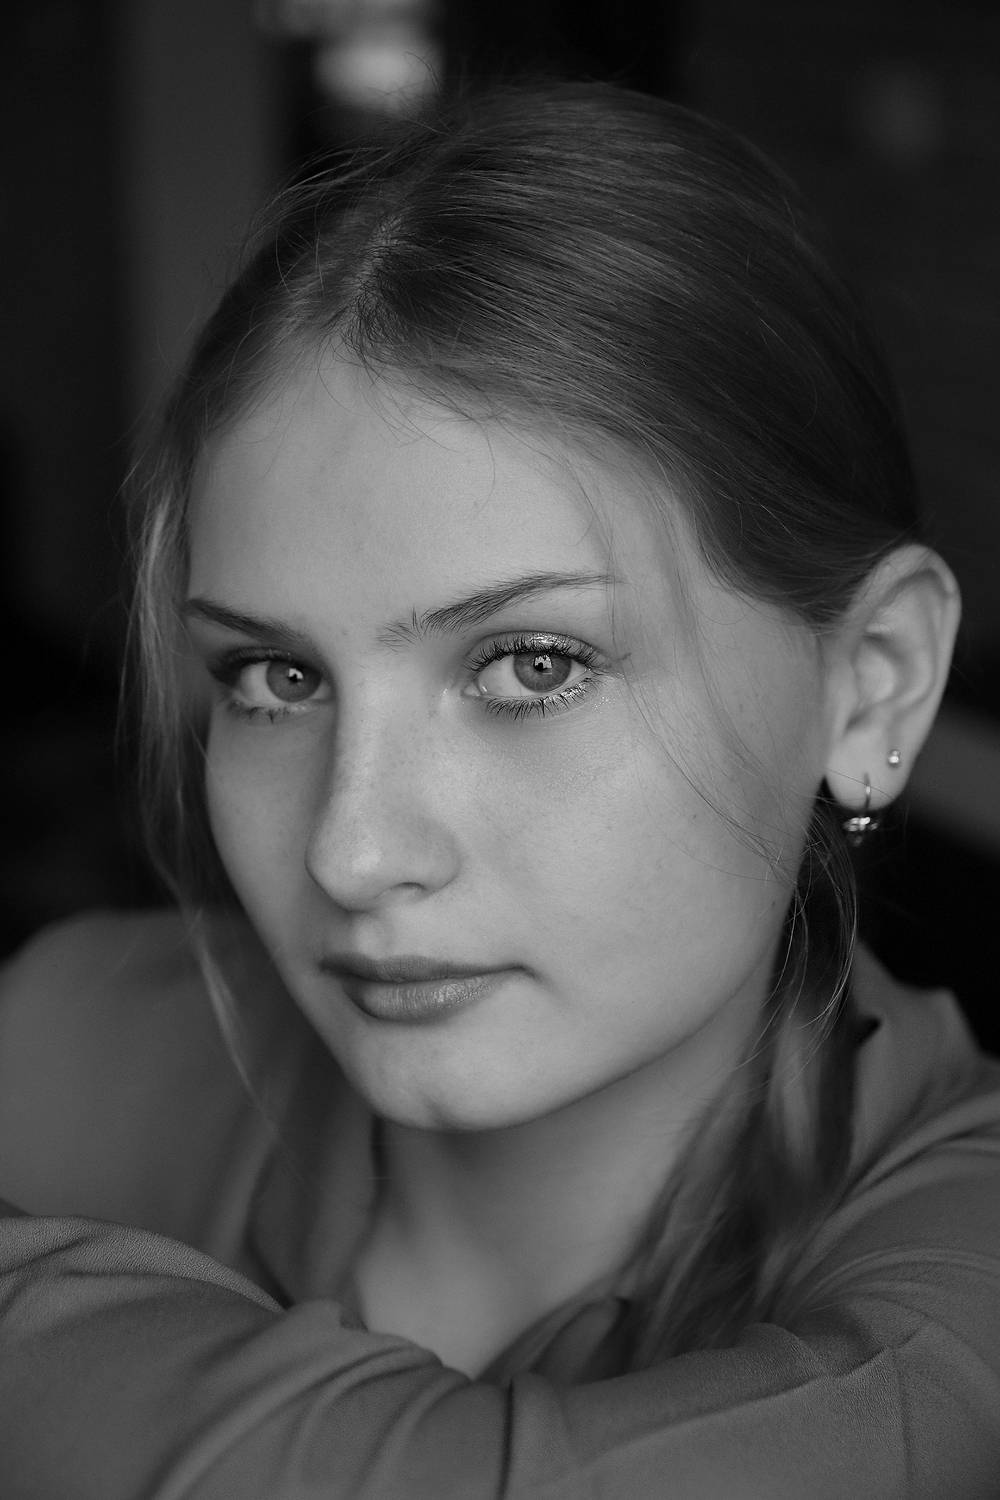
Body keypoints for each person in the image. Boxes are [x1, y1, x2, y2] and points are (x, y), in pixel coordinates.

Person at [1, 78, 998, 1499]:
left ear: (873, 682)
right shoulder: (68, 1033)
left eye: (532, 665)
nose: (352, 851)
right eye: (277, 677)